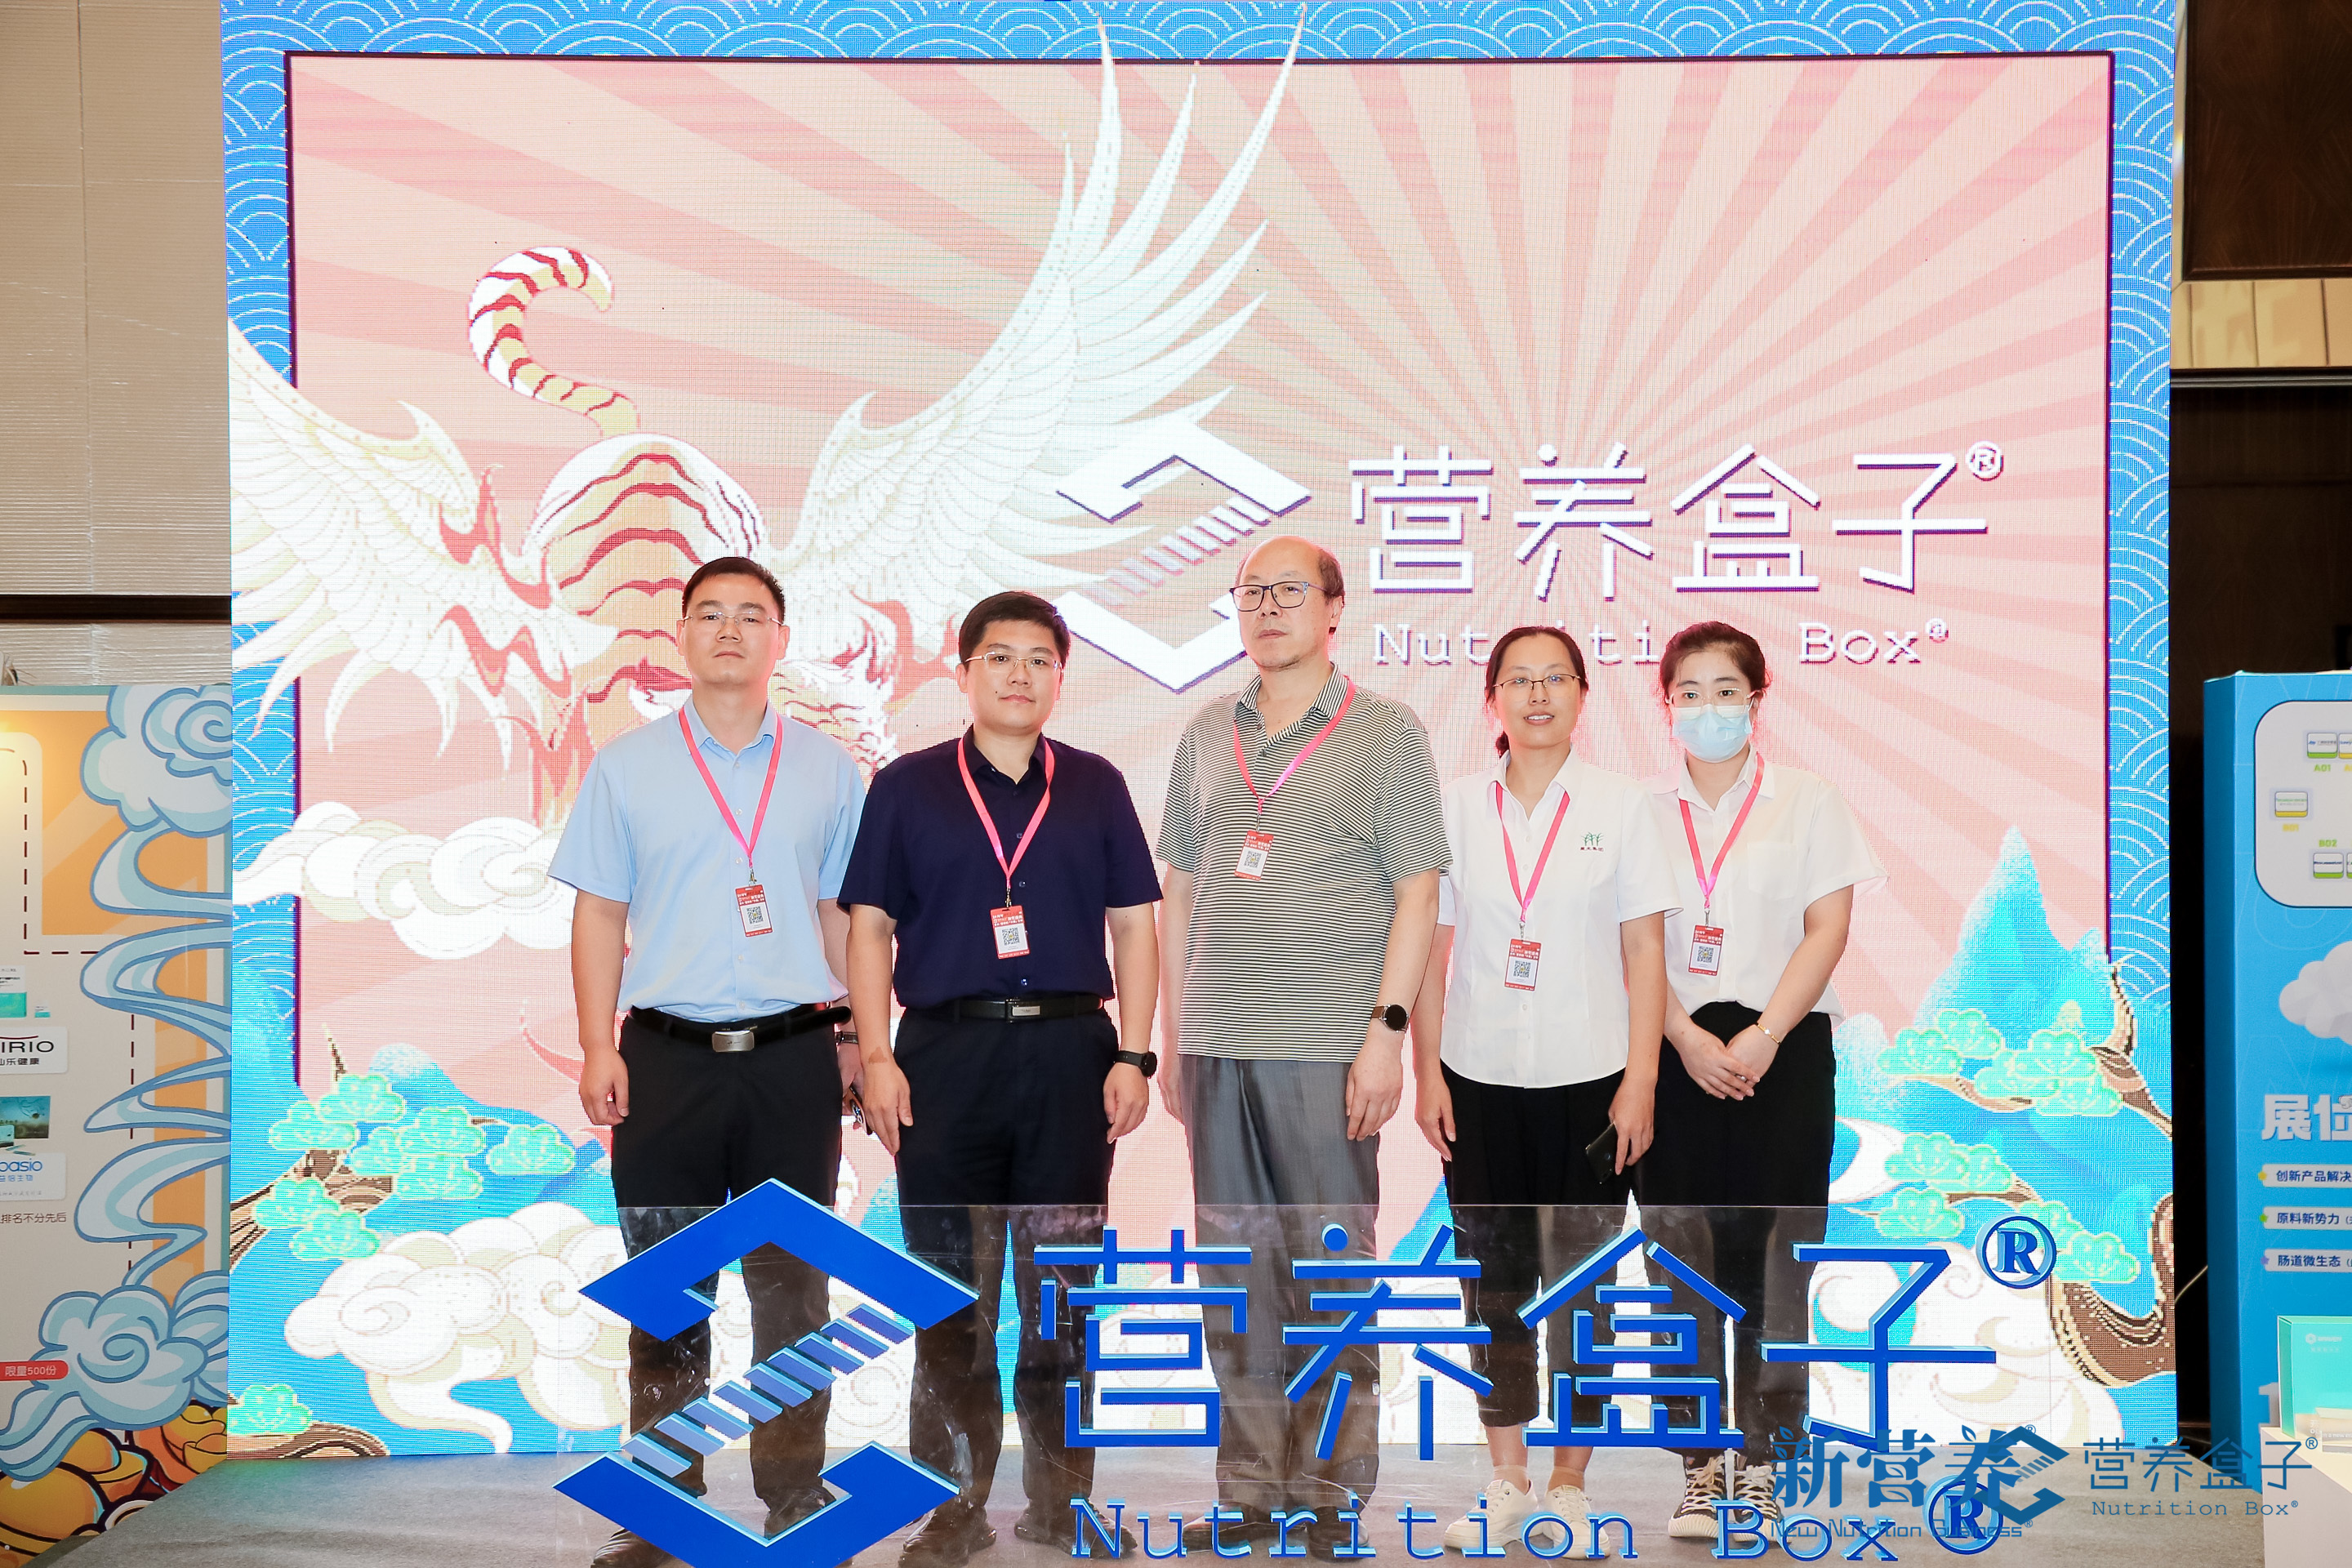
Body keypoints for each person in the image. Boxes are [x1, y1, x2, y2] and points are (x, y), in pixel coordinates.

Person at [550, 555, 866, 1568]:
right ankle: (661, 1508)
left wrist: (861, 1039)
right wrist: (597, 1043)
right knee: (666, 1291)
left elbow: (846, 918)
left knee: (794, 1295)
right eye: (711, 614)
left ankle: (795, 1494)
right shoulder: (627, 767)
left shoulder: (827, 770)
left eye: (752, 615)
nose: (731, 630)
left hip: (793, 1059)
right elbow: (598, 913)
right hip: (665, 1060)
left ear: (782, 639)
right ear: (681, 635)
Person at [844, 591, 1161, 1568]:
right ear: (964, 670)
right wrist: (877, 1056)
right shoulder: (906, 787)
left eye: (1038, 659)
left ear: (1059, 676)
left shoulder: (1097, 785)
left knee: (1064, 1297)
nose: (1019, 675)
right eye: (999, 657)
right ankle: (952, 1508)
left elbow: (1135, 926)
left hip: (1071, 1058)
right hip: (944, 1059)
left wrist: (1134, 1053)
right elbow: (869, 928)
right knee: (950, 1297)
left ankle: (1065, 1504)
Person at [1156, 535, 1449, 1559]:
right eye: (1251, 592)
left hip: (1328, 1050)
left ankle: (1327, 1498)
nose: (1268, 607)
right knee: (1233, 1285)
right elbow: (1180, 890)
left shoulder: (1387, 733)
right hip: (1216, 1050)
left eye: (1289, 590)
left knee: (1330, 1279)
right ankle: (1247, 1493)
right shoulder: (1207, 732)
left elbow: (1419, 892)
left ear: (1334, 609)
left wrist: (1388, 1036)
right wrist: (1174, 1041)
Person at [1408, 626, 1677, 1555]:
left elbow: (1646, 951)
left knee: (1584, 1289)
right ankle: (1507, 1479)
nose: (1537, 695)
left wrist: (1641, 1081)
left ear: (1581, 695)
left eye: (1555, 678)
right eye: (1518, 680)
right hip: (1477, 1080)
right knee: (1491, 1284)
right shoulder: (1453, 807)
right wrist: (1427, 1071)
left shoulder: (1624, 807)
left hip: (1592, 1081)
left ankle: (1569, 1484)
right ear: (1492, 698)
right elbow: (1433, 954)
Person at [1637, 621, 1884, 1541]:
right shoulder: (1639, 814)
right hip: (1674, 1052)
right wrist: (1682, 1037)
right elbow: (1632, 943)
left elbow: (1828, 928)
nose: (1708, 709)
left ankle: (1768, 1465)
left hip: (1785, 1052)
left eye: (1726, 691)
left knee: (1780, 1262)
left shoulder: (1810, 802)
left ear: (1757, 700)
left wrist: (1767, 1034)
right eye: (1690, 693)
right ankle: (1701, 1471)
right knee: (1680, 1260)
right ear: (1667, 706)